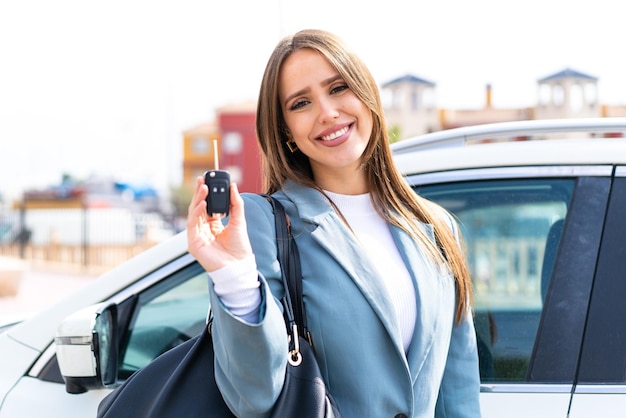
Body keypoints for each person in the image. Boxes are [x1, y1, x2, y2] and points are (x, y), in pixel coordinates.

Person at [187, 29, 481, 418]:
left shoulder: (436, 229)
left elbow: (456, 395)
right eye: (301, 103)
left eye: (339, 87)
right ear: (286, 132)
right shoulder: (264, 224)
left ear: (367, 94)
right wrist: (234, 278)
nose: (327, 112)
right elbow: (253, 395)